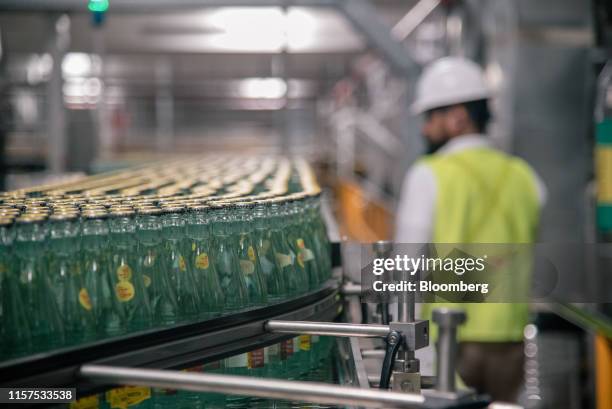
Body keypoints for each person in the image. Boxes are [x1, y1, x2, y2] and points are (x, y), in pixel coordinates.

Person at [395, 57, 546, 402]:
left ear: (457, 116)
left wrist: (409, 349)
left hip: (448, 346)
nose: (424, 129)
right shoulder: (526, 177)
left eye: (430, 118)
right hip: (510, 345)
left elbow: (407, 266)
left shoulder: (429, 174)